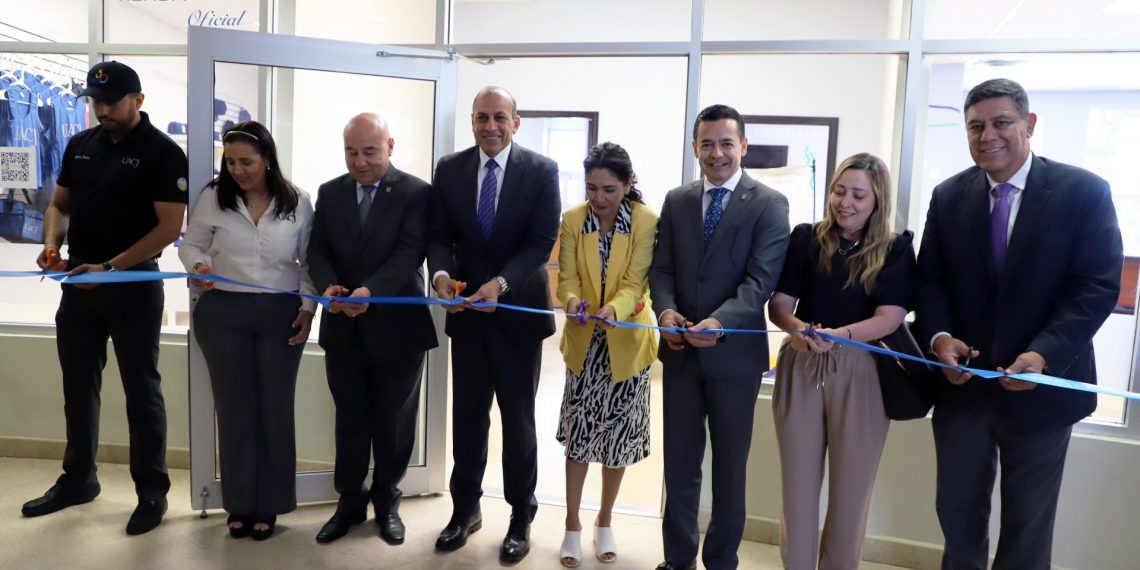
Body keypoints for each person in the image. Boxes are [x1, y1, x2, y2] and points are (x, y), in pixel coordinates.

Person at [916, 78, 1122, 569]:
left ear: (1029, 125)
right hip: (962, 389)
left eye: (1001, 122)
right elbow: (930, 281)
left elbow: (1095, 286)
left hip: (1043, 388)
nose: (988, 135)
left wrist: (1043, 353)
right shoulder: (948, 197)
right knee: (958, 516)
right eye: (975, 126)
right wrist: (941, 338)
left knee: (1028, 526)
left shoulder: (1083, 192)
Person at [22, 60, 187, 535]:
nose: (101, 109)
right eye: (95, 101)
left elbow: (169, 228)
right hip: (78, 286)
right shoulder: (81, 144)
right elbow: (58, 205)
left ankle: (152, 491)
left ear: (138, 100)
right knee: (78, 388)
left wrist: (112, 269)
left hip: (132, 287)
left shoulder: (163, 153)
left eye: (111, 101)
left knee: (142, 393)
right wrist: (52, 246)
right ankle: (78, 479)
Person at [648, 103, 790, 570]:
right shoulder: (677, 200)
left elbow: (759, 282)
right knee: (680, 466)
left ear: (743, 146)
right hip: (681, 354)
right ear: (695, 148)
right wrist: (665, 311)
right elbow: (662, 269)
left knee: (729, 470)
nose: (717, 153)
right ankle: (678, 558)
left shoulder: (769, 204)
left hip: (734, 360)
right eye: (707, 143)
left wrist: (720, 322)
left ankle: (722, 560)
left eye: (727, 143)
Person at [428, 86, 561, 563]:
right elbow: (439, 235)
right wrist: (442, 277)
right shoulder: (450, 169)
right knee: (467, 420)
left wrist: (500, 285)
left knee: (519, 425)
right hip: (466, 317)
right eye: (482, 117)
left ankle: (520, 517)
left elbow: (541, 241)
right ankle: (464, 511)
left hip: (517, 319)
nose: (490, 126)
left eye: (499, 117)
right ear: (472, 120)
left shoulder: (541, 171)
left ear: (516, 122)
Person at [767, 153, 916, 569]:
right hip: (802, 365)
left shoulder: (896, 249)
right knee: (796, 491)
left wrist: (842, 336)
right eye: (839, 191)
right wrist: (797, 329)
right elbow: (779, 304)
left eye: (858, 195)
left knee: (851, 495)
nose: (844, 202)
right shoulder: (806, 238)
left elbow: (890, 317)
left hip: (863, 371)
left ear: (877, 201)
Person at [179, 120, 316, 540]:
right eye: (231, 161)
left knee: (274, 410)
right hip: (223, 313)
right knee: (235, 410)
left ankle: (271, 506)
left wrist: (309, 308)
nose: (238, 170)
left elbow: (309, 262)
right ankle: (238, 504)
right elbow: (191, 244)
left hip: (280, 313)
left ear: (268, 159)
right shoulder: (212, 197)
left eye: (247, 161)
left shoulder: (297, 201)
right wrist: (198, 267)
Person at [307, 113, 438, 545]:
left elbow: (409, 254)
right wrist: (328, 286)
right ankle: (349, 503)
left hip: (397, 329)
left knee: (393, 421)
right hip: (343, 326)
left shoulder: (416, 193)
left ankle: (387, 502)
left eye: (369, 151)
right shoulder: (330, 192)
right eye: (351, 151)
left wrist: (369, 291)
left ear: (390, 146)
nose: (359, 162)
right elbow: (318, 249)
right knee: (350, 420)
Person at [555, 142, 658, 568]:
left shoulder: (647, 222)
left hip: (625, 345)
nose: (599, 199)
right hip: (585, 346)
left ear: (629, 184)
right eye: (592, 188)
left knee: (617, 442)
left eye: (610, 190)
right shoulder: (573, 219)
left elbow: (636, 282)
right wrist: (574, 302)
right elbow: (565, 279)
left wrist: (614, 309)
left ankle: (604, 520)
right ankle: (572, 525)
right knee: (579, 441)